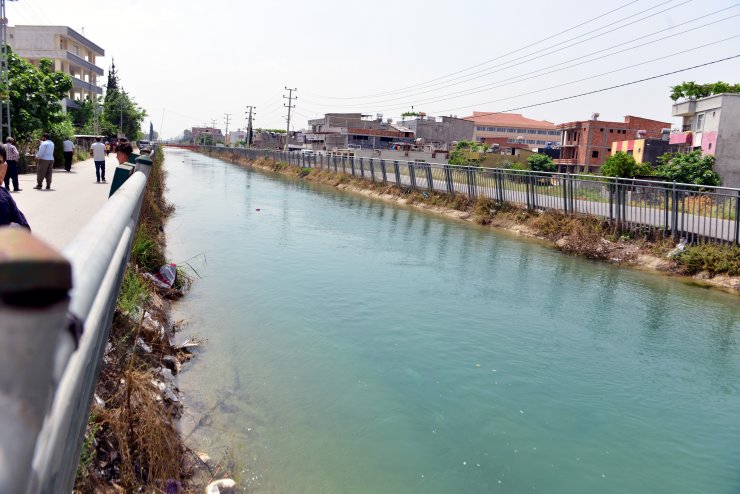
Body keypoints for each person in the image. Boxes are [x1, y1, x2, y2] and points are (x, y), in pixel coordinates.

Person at [0, 146, 29, 228]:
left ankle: (8, 186)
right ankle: (15, 187)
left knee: (7, 178)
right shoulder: (13, 147)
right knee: (14, 177)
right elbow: (17, 154)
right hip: (12, 163)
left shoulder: (4, 195)